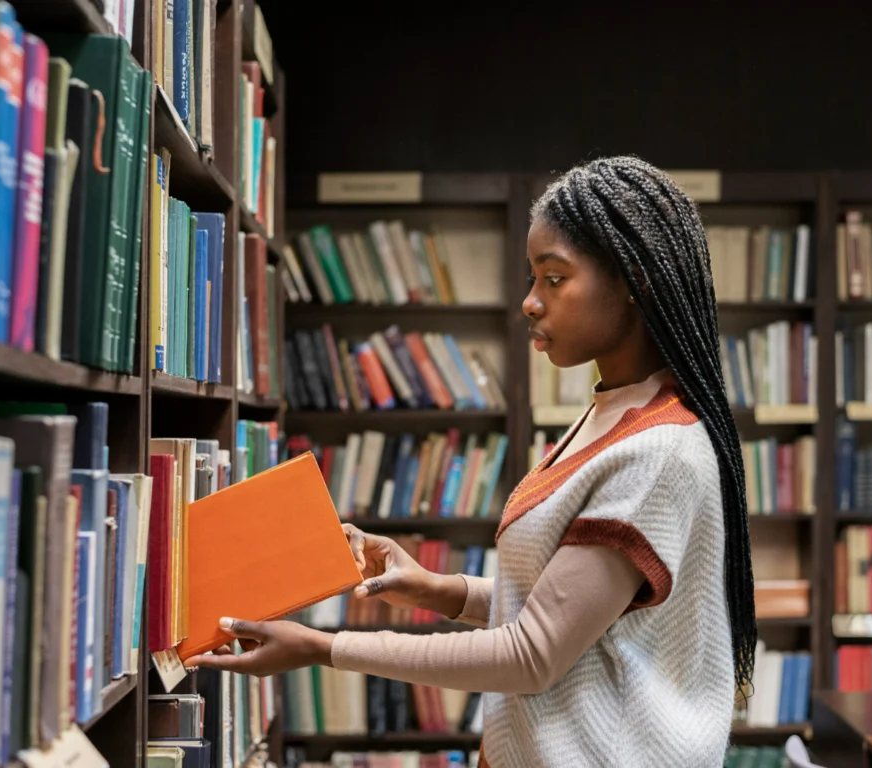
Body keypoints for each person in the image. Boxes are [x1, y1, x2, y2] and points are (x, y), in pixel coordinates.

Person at [185, 156, 757, 767]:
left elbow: (532, 654)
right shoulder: (615, 413)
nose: (530, 304)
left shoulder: (659, 450)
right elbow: (569, 607)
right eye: (532, 279)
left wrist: (323, 647)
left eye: (554, 278)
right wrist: (436, 588)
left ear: (634, 282)